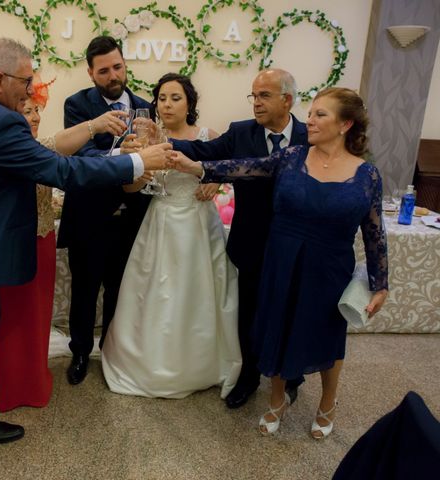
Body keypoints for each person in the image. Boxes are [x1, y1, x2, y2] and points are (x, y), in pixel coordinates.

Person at [0, 37, 171, 445]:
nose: (31, 90)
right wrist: (135, 162)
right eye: (26, 81)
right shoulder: (2, 122)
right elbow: (62, 171)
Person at [172, 87, 389, 438]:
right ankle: (276, 399)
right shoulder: (291, 156)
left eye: (321, 114)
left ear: (346, 124)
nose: (310, 120)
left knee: (327, 336)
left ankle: (327, 402)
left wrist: (381, 283)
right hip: (281, 257)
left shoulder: (367, 175)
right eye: (311, 112)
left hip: (330, 266)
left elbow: (375, 230)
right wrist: (196, 167)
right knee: (277, 326)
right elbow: (244, 167)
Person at [170, 69, 308, 409]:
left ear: (286, 100)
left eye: (264, 96)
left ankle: (291, 375)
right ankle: (248, 375)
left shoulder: (312, 135)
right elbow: (203, 148)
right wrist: (163, 141)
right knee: (247, 314)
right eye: (253, 96)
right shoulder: (240, 132)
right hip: (250, 241)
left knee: (291, 311)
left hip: (297, 245)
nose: (256, 103)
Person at [0, 78, 130, 411]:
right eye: (27, 111)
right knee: (11, 317)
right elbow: (70, 161)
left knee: (37, 316)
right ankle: (9, 383)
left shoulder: (39, 145)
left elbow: (61, 141)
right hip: (13, 245)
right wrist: (105, 136)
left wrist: (96, 127)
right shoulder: (10, 149)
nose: (35, 116)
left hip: (43, 241)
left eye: (37, 109)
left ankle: (32, 377)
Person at [101, 73, 242, 398]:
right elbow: (131, 187)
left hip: (198, 224)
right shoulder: (149, 137)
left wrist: (216, 179)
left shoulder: (208, 136)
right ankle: (149, 362)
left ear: (189, 103)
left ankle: (203, 361)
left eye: (175, 98)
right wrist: (136, 170)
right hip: (161, 221)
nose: (166, 104)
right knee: (155, 293)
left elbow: (231, 168)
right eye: (161, 98)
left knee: (200, 293)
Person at [58, 36, 153, 386]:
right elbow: (78, 157)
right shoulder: (77, 105)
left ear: (124, 64)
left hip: (132, 215)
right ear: (90, 73)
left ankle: (111, 350)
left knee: (120, 289)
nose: (112, 75)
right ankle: (80, 352)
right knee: (84, 289)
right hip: (89, 217)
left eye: (117, 66)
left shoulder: (146, 105)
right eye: (103, 71)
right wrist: (123, 158)